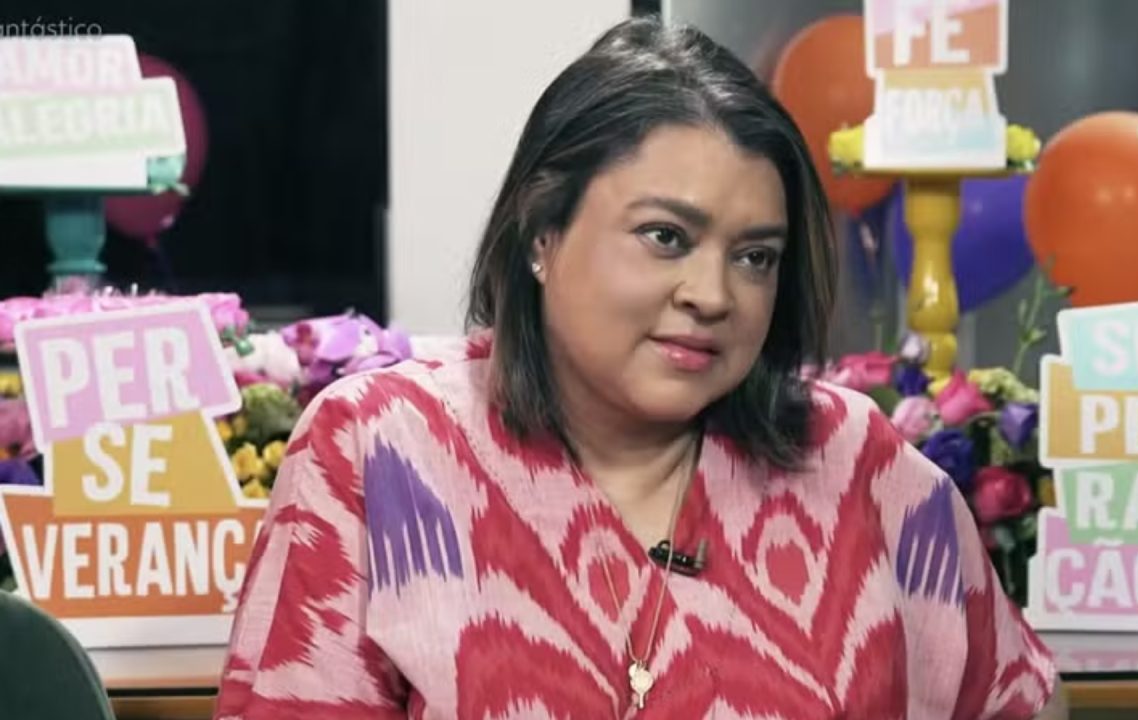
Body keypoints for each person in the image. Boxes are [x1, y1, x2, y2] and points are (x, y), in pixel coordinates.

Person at [214, 17, 1067, 720]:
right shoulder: (379, 447)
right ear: (542, 231)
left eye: (755, 257)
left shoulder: (856, 461)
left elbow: (1018, 702)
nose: (713, 294)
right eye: (666, 237)